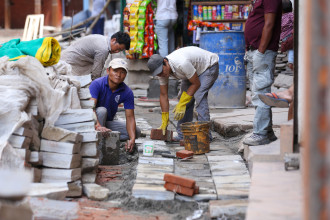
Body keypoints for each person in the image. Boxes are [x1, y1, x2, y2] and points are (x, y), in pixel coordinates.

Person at [147, 46, 219, 141]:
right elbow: (163, 95)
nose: (161, 75)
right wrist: (165, 118)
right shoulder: (161, 72)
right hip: (191, 71)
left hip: (208, 67)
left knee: (199, 95)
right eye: (158, 74)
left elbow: (196, 83)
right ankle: (182, 134)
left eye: (161, 71)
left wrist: (182, 103)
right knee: (184, 99)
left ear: (165, 61)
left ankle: (205, 136)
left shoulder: (181, 63)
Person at [243, 0, 282, 146]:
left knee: (260, 92)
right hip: (255, 50)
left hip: (263, 51)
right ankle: (267, 132)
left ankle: (260, 134)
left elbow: (269, 24)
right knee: (257, 92)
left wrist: (261, 51)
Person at [89, 58, 141, 152]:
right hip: (93, 121)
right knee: (102, 110)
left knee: (136, 132)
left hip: (108, 122)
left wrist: (132, 138)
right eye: (115, 71)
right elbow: (90, 108)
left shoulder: (127, 92)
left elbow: (130, 117)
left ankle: (107, 137)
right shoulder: (97, 84)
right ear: (108, 71)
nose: (118, 75)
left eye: (122, 72)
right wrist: (98, 125)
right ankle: (96, 139)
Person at [61, 31, 130, 79]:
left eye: (120, 51)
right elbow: (96, 72)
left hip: (69, 57)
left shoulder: (104, 40)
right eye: (118, 48)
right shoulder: (103, 49)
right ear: (113, 40)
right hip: (69, 61)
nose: (117, 51)